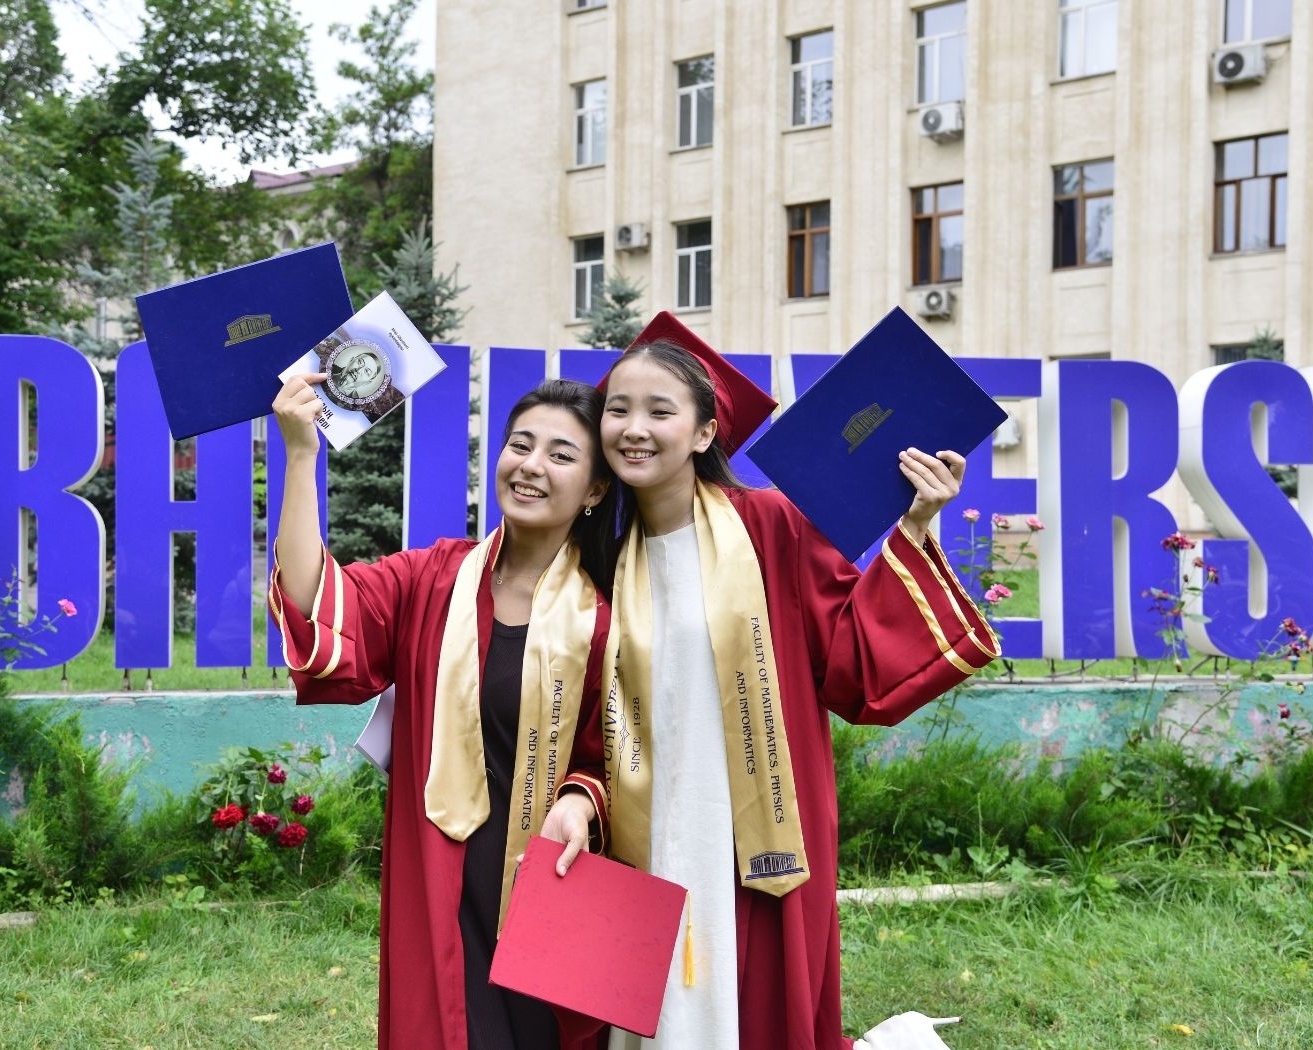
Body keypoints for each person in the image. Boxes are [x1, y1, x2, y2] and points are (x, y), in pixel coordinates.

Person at [542, 314, 999, 1050]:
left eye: (660, 410)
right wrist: (578, 792)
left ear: (704, 433)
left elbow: (852, 662)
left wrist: (916, 524)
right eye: (618, 410)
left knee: (746, 999)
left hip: (753, 811)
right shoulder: (599, 554)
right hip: (646, 814)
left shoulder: (772, 526)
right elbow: (584, 707)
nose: (635, 428)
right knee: (648, 1004)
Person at [269, 376, 619, 1050]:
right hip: (440, 873)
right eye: (520, 445)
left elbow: (621, 756)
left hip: (552, 878)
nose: (531, 466)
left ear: (596, 489)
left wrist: (581, 799)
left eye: (561, 455)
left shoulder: (609, 613)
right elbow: (316, 607)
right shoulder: (431, 580)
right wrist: (302, 454)